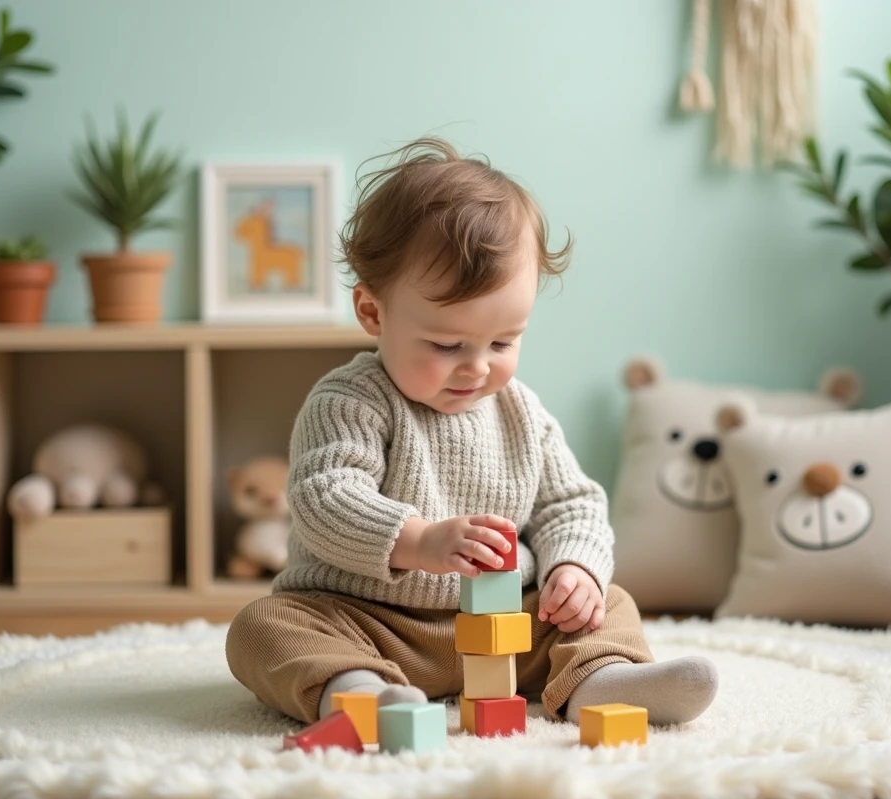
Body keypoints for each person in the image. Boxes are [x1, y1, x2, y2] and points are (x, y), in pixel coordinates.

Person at [225, 136, 718, 727]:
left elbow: (573, 502)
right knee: (262, 628)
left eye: (504, 342)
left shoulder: (521, 412)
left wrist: (573, 571)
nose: (478, 365)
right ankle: (358, 693)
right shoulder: (349, 400)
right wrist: (420, 541)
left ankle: (603, 680)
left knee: (608, 603)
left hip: (506, 625)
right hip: (371, 621)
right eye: (447, 344)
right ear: (373, 313)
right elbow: (322, 498)